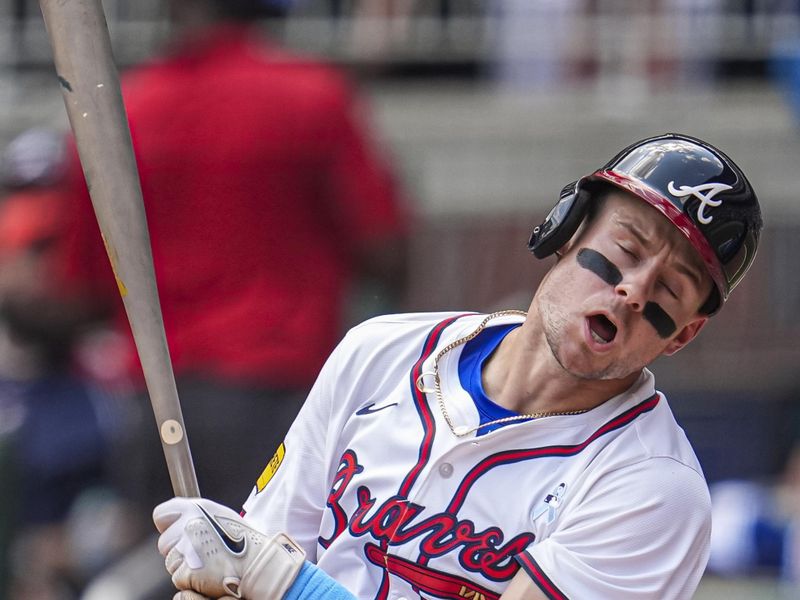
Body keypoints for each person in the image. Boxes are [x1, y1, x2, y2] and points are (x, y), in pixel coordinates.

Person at [152, 132, 763, 599]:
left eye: (671, 288)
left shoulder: (652, 490)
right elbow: (263, 550)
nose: (632, 291)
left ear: (684, 334)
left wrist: (281, 583)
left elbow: (268, 569)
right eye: (625, 249)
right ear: (566, 229)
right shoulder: (380, 353)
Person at [51, 0, 409, 519]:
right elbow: (384, 247)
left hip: (157, 404)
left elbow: (82, 287)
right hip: (278, 394)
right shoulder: (310, 95)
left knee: (170, 579)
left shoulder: (124, 109)